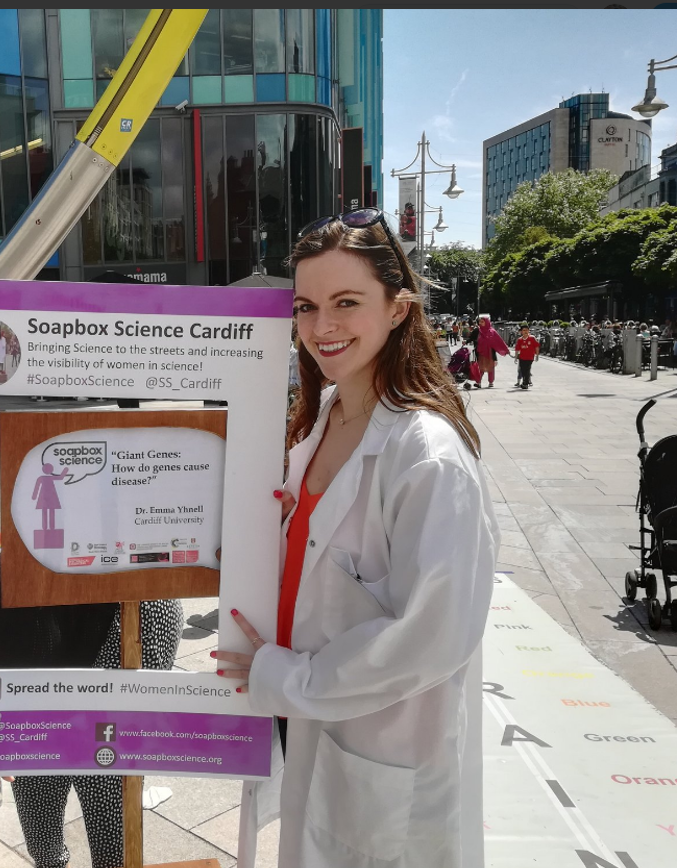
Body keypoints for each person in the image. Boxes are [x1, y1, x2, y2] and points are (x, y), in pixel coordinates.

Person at [215, 212, 499, 868]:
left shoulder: (426, 456)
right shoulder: (321, 419)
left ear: (398, 309)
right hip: (304, 715)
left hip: (378, 740)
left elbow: (431, 634)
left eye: (347, 303)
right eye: (306, 306)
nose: (321, 327)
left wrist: (290, 679)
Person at [0, 553, 183, 868]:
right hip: (30, 620)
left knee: (110, 802)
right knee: (41, 817)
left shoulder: (151, 600)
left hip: (126, 609)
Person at [471, 313, 511, 388]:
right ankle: (478, 382)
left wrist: (506, 349)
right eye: (480, 322)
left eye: (482, 322)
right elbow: (472, 338)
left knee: (491, 368)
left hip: (490, 353)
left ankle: (491, 382)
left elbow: (499, 341)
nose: (480, 323)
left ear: (486, 322)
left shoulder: (492, 332)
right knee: (480, 368)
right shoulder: (478, 331)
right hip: (480, 353)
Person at [514, 323, 539, 390]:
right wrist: (516, 358)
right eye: (523, 330)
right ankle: (525, 382)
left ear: (528, 331)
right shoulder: (519, 340)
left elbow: (536, 347)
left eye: (526, 330)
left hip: (530, 357)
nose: (525, 332)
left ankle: (525, 383)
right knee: (523, 370)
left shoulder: (532, 338)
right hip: (522, 358)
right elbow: (517, 349)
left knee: (527, 369)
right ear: (521, 331)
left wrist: (537, 355)